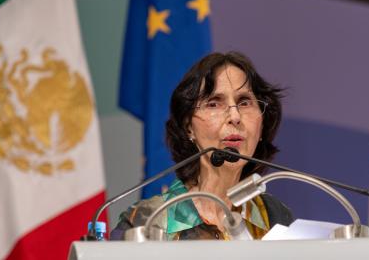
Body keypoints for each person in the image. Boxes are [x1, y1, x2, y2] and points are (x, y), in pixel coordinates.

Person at [111, 51, 294, 240]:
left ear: (262, 124)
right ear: (188, 127)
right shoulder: (145, 221)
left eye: (244, 102)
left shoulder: (273, 217)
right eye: (214, 104)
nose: (235, 117)